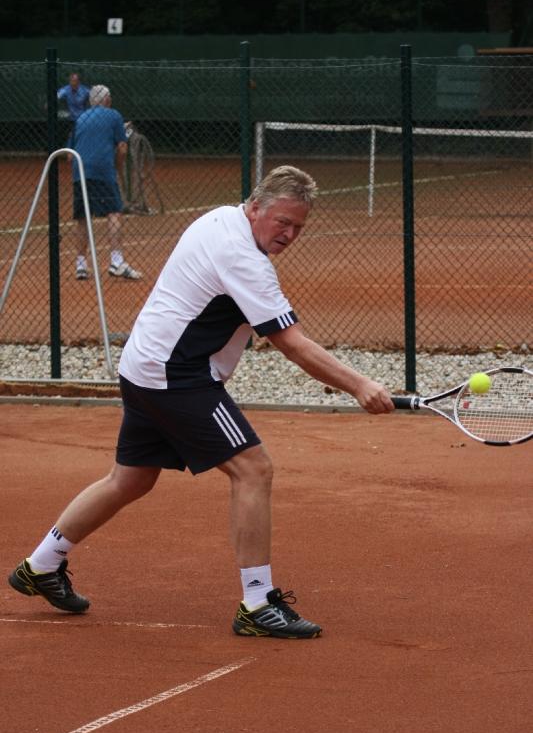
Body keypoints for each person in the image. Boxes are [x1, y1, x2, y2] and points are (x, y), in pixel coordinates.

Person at [7, 165, 394, 639]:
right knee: (253, 470)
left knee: (129, 479)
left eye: (298, 227)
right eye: (283, 222)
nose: (289, 235)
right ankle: (257, 604)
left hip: (143, 365)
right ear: (256, 207)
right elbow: (292, 343)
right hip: (176, 376)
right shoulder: (243, 258)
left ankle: (41, 565)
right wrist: (360, 385)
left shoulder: (221, 218)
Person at [70, 84, 142, 281]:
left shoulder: (81, 118)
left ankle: (81, 265)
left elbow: (69, 155)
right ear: (107, 100)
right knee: (114, 212)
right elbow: (122, 148)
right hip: (102, 170)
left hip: (79, 170)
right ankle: (116, 261)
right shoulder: (114, 116)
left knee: (83, 216)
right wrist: (116, 168)